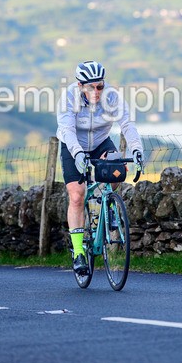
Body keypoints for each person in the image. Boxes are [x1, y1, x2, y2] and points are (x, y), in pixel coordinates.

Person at [56, 60, 144, 275]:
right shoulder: (68, 97)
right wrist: (77, 154)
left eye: (100, 86)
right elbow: (66, 130)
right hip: (73, 144)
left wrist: (137, 150)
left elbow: (127, 125)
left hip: (101, 142)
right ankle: (78, 253)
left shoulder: (112, 96)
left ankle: (109, 206)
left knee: (118, 170)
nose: (96, 92)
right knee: (77, 195)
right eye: (91, 87)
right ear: (80, 86)